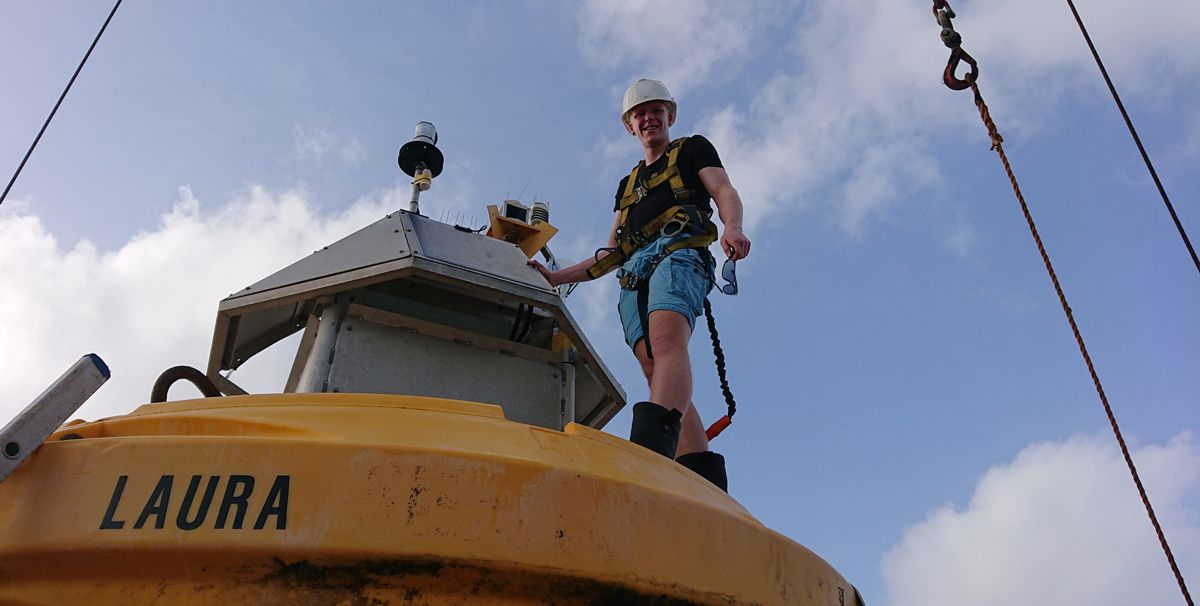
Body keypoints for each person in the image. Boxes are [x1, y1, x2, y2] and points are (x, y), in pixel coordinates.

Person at [530, 79, 749, 491]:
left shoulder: (692, 150)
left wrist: (732, 227)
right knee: (653, 367)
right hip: (634, 272)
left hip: (679, 253)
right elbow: (609, 253)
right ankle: (702, 477)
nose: (648, 118)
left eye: (655, 111)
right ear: (630, 126)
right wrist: (555, 277)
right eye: (639, 114)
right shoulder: (627, 186)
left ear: (669, 116)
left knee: (668, 345)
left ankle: (648, 455)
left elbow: (724, 189)